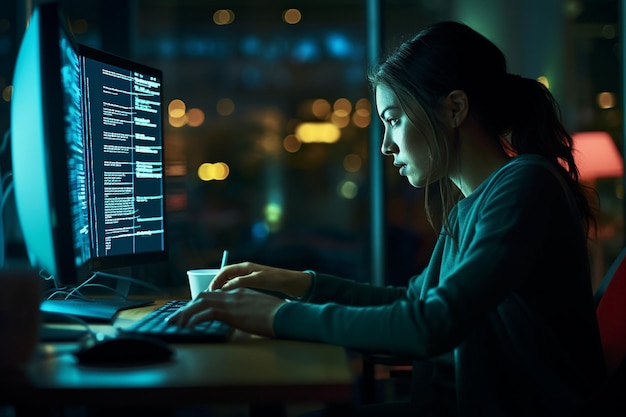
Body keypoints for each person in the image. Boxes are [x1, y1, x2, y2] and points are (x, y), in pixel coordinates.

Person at [168, 21, 608, 416]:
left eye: (393, 121)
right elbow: (413, 301)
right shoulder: (475, 202)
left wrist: (276, 316)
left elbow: (430, 324)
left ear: (454, 108)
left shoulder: (525, 185)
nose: (385, 146)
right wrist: (295, 283)